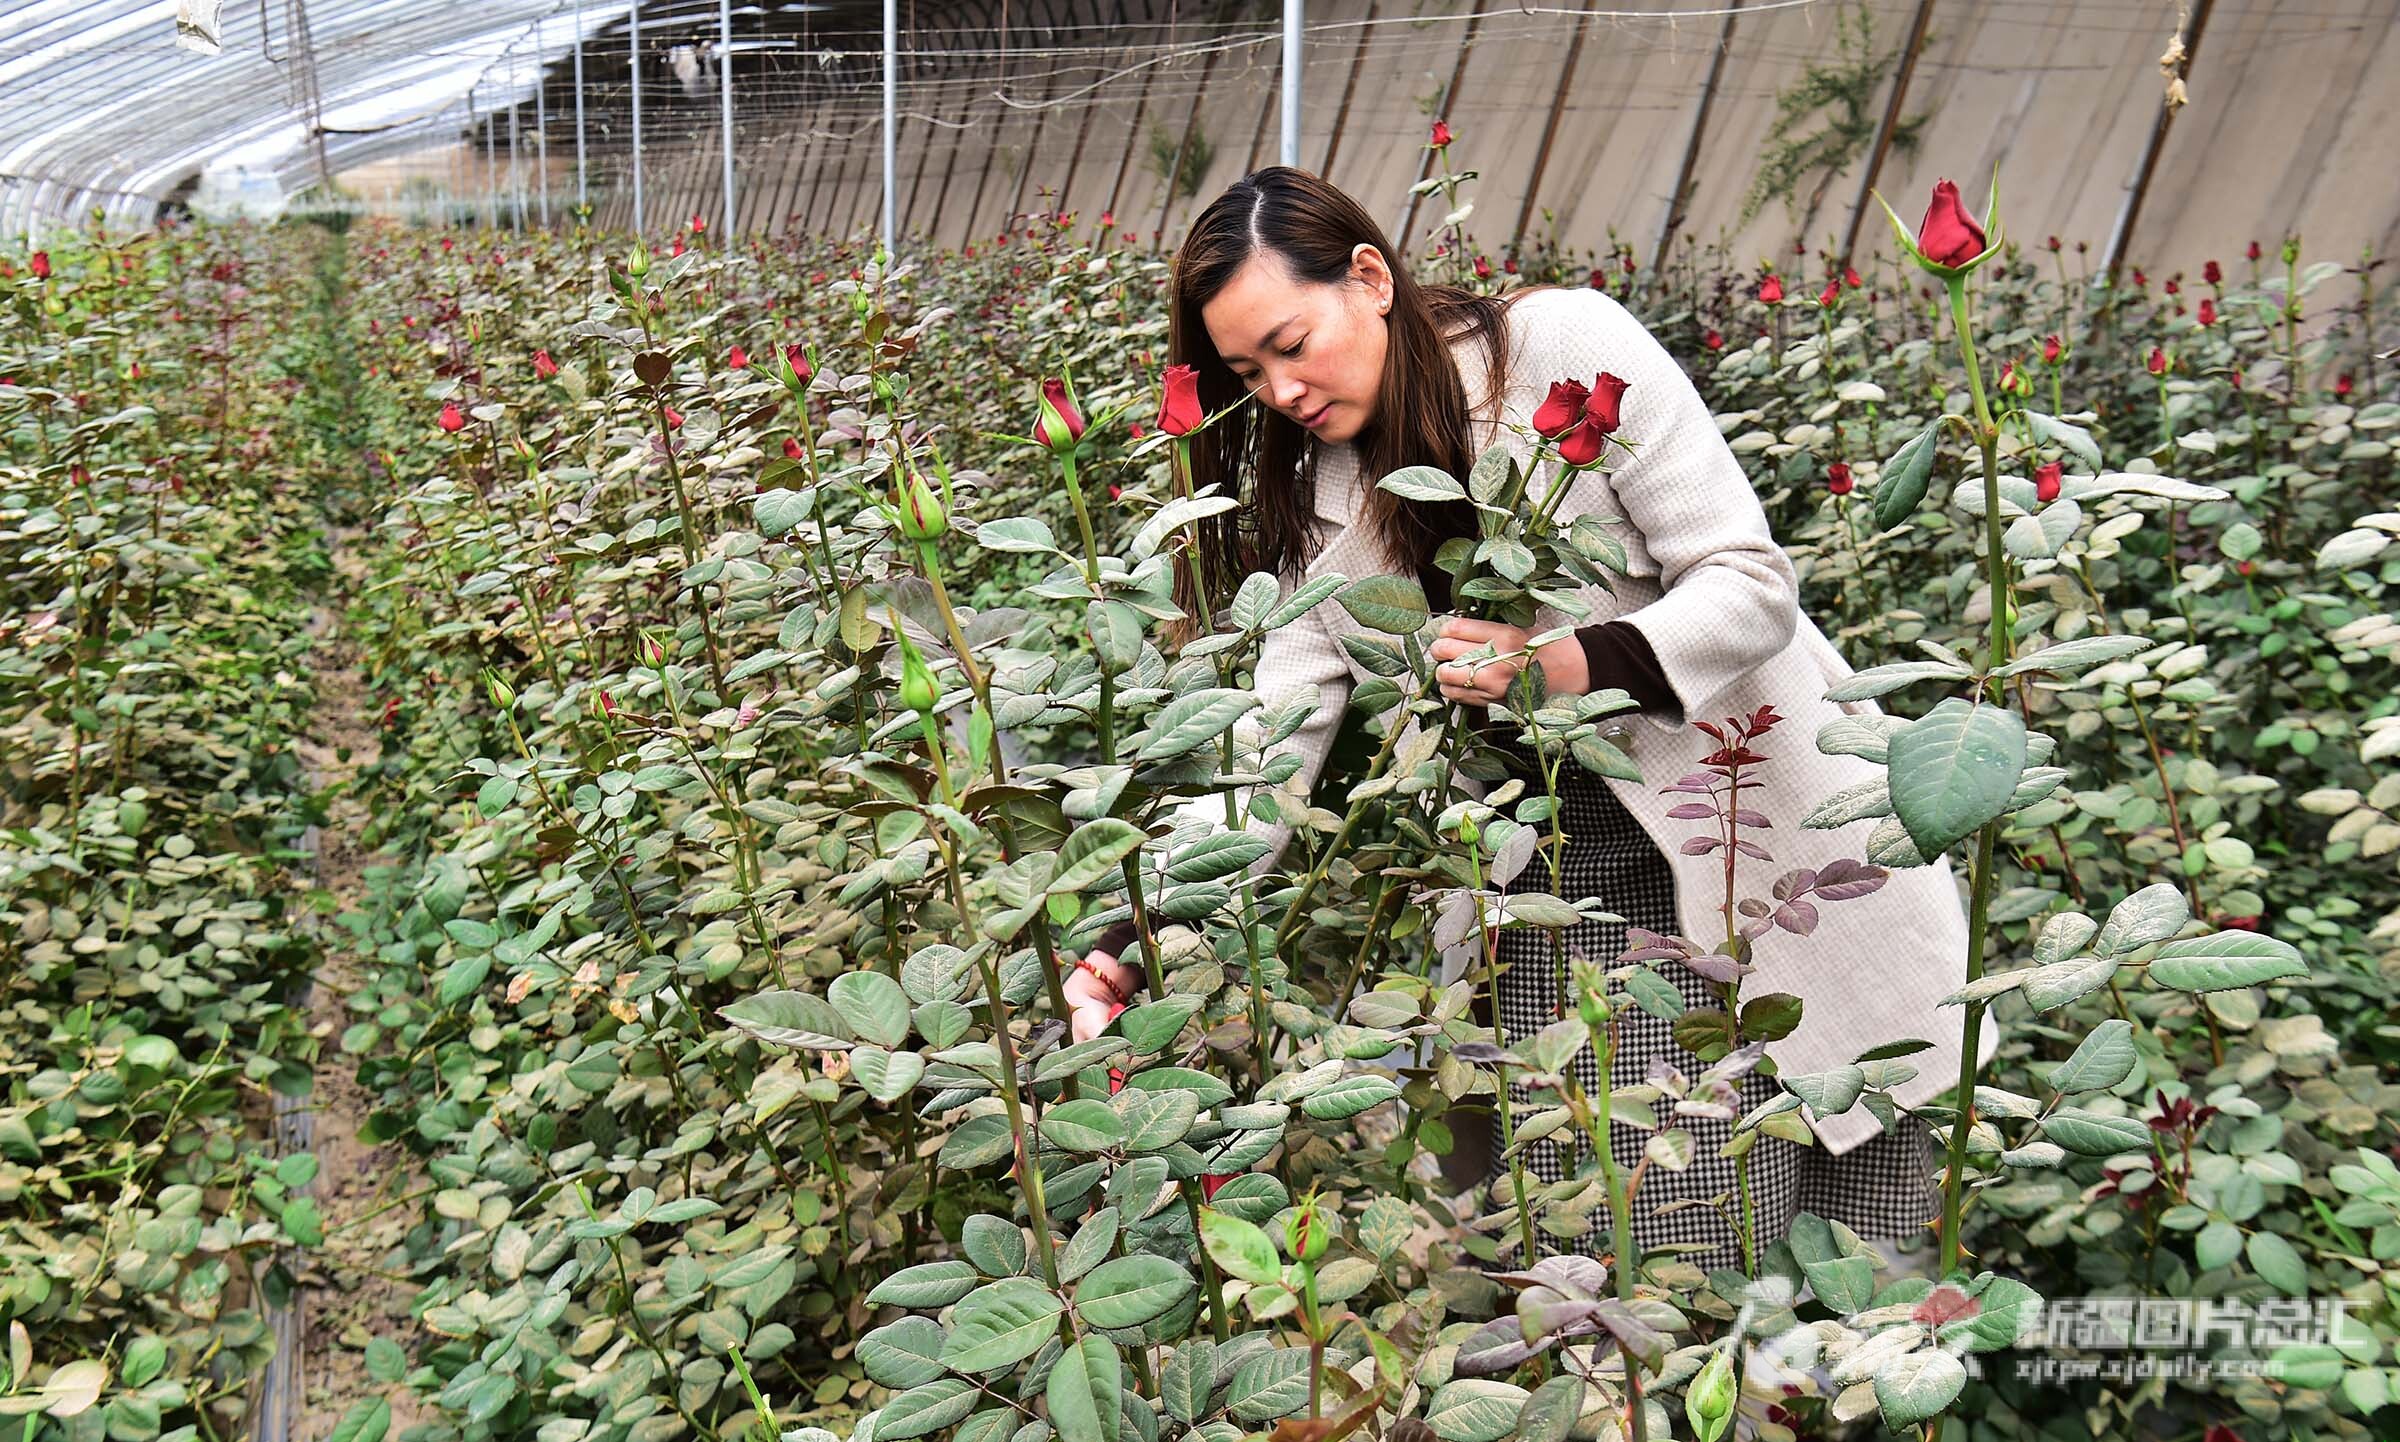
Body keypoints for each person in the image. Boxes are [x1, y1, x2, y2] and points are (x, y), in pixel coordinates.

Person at [1061, 167, 1989, 1274]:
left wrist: (1563, 663)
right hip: (1552, 900)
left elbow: (1748, 582)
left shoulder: (1556, 348)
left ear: (1369, 278)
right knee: (1649, 1266)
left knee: (1854, 1275)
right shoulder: (1321, 495)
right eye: (1250, 372)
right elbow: (1270, 745)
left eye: (1291, 343)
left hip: (1760, 832)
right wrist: (1139, 923)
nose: (1283, 390)